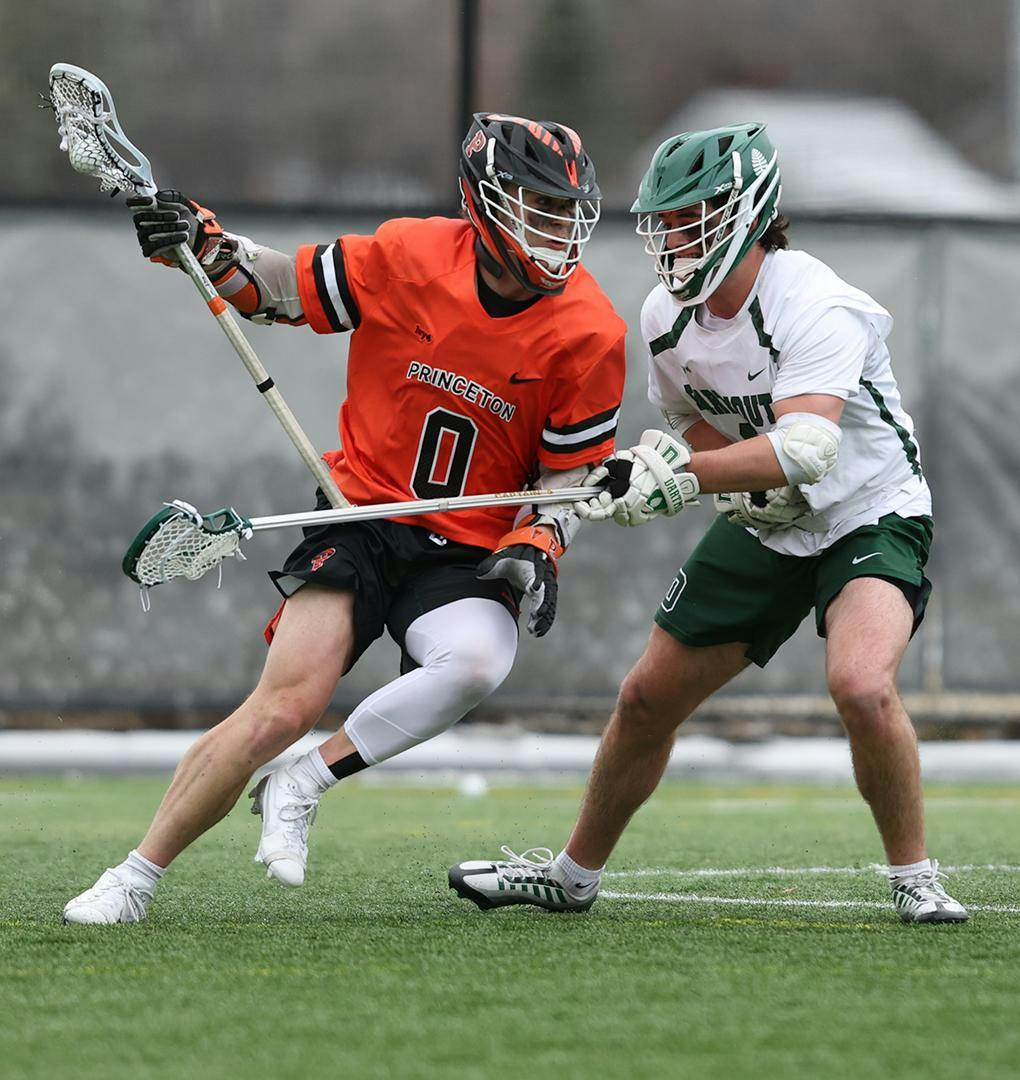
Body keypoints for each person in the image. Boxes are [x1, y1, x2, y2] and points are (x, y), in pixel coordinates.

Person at [63, 113, 626, 924]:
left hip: (466, 550)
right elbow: (277, 289)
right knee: (282, 708)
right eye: (539, 209)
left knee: (476, 662)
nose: (556, 231)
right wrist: (204, 243)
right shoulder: (409, 254)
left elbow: (568, 475)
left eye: (567, 213)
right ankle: (133, 878)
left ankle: (305, 781)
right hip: (362, 514)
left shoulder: (591, 331)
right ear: (485, 201)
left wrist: (539, 540)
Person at [449, 122, 968, 924]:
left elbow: (807, 446)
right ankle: (572, 876)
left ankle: (915, 877)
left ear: (749, 213)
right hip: (769, 520)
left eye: (692, 218)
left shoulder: (815, 303)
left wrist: (683, 478)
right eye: (665, 222)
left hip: (868, 511)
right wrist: (687, 473)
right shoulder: (666, 315)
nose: (675, 239)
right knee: (646, 698)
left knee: (862, 686)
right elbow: (692, 421)